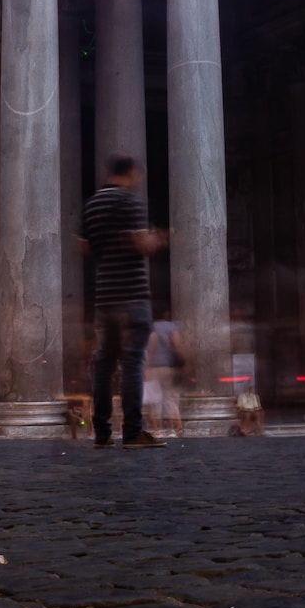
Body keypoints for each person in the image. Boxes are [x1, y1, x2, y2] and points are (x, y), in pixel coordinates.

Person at [80, 154, 168, 449]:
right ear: (129, 174)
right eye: (137, 176)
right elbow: (140, 243)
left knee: (104, 364)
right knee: (132, 362)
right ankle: (132, 432)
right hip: (131, 295)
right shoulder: (128, 202)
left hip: (104, 297)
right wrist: (159, 239)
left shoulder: (92, 205)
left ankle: (102, 432)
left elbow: (82, 246)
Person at [144, 313, 185, 436]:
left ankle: (158, 430)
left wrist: (146, 365)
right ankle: (177, 428)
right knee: (169, 398)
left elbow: (151, 346)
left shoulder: (151, 327)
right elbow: (177, 345)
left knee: (155, 399)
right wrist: (182, 359)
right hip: (168, 366)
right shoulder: (172, 327)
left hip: (155, 367)